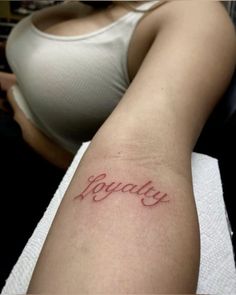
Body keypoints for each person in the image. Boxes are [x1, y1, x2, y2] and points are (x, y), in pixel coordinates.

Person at [0, 0, 235, 293]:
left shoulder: (192, 16)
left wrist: (24, 125)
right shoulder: (88, 4)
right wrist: (14, 90)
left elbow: (139, 158)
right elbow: (45, 84)